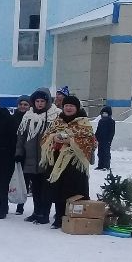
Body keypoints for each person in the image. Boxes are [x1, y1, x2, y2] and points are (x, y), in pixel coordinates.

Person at [40, 94, 96, 228]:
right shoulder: (57, 121)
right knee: (58, 190)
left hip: (75, 165)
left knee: (73, 191)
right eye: (66, 106)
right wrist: (54, 138)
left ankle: (75, 218)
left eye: (71, 106)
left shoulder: (83, 122)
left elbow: (90, 141)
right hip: (57, 162)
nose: (68, 108)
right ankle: (59, 217)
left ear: (77, 108)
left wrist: (70, 141)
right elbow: (45, 136)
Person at [15, 89, 53, 224]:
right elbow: (21, 136)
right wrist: (19, 152)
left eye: (42, 101)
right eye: (37, 101)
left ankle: (45, 214)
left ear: (47, 102)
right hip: (31, 158)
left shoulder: (54, 116)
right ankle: (37, 212)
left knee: (46, 188)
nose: (40, 104)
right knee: (35, 188)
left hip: (47, 158)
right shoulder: (28, 116)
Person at [94, 105, 115, 171]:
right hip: (100, 140)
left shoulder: (111, 121)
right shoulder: (101, 121)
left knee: (106, 153)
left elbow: (112, 131)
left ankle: (106, 166)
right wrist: (95, 136)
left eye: (106, 113)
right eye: (103, 113)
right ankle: (100, 165)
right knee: (100, 153)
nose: (104, 114)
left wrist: (109, 140)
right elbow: (98, 130)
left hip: (106, 140)